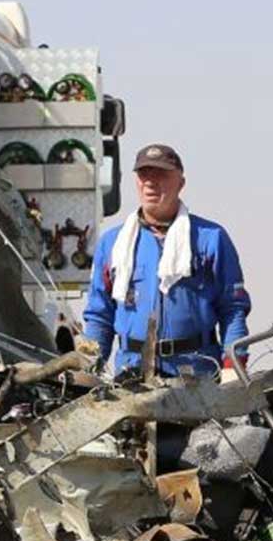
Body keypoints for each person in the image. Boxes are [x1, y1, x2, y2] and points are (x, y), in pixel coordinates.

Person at [82, 143, 250, 380]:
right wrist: (87, 369)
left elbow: (233, 309)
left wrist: (234, 366)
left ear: (181, 183)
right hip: (132, 375)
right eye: (144, 174)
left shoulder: (211, 238)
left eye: (160, 174)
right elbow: (100, 314)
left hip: (196, 375)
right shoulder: (112, 244)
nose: (150, 182)